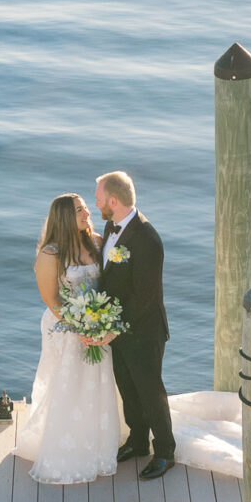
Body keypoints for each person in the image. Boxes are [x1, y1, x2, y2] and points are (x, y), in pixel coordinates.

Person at [11, 193, 122, 484]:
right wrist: (80, 326)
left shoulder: (96, 242)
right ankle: (65, 445)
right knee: (67, 382)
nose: (87, 212)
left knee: (98, 381)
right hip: (64, 326)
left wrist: (99, 324)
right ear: (63, 217)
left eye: (85, 207)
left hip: (97, 324)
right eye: (79, 210)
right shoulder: (51, 254)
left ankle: (98, 442)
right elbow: (51, 299)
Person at [94, 171, 173, 480]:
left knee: (151, 392)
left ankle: (165, 451)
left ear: (113, 201)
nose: (96, 204)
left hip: (144, 331)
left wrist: (115, 328)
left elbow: (144, 296)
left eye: (99, 199)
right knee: (128, 389)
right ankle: (138, 441)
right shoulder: (110, 226)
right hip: (118, 329)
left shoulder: (147, 239)